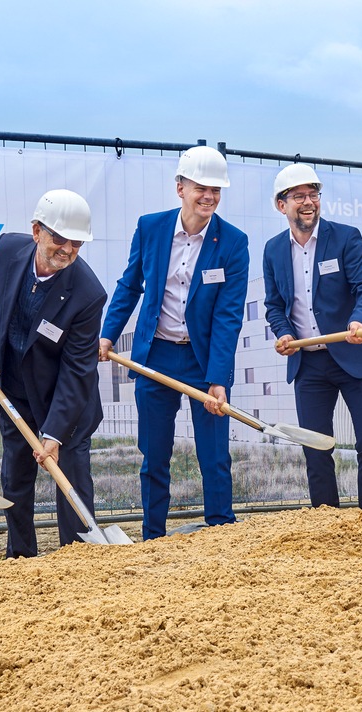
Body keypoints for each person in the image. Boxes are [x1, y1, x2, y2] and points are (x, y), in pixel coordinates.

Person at [98, 146, 249, 540]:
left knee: (214, 455)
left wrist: (218, 379)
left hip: (203, 363)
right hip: (156, 357)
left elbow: (228, 316)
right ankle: (153, 537)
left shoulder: (233, 242)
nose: (209, 197)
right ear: (180, 187)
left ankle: (221, 532)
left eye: (216, 190)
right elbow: (130, 285)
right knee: (155, 454)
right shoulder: (151, 228)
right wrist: (109, 333)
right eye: (201, 188)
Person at [0, 190, 107, 553]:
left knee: (70, 486)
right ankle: (21, 559)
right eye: (59, 239)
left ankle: (78, 562)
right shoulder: (5, 253)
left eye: (76, 243)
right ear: (36, 231)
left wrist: (56, 434)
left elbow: (78, 370)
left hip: (66, 406)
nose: (67, 250)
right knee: (15, 482)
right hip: (13, 391)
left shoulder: (88, 293)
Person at [262, 163, 362, 509]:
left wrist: (361, 320)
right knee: (316, 447)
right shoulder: (273, 251)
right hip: (309, 365)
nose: (308, 202)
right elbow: (274, 305)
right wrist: (284, 332)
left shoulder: (345, 237)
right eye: (299, 196)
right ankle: (325, 521)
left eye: (313, 194)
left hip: (354, 356)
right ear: (281, 204)